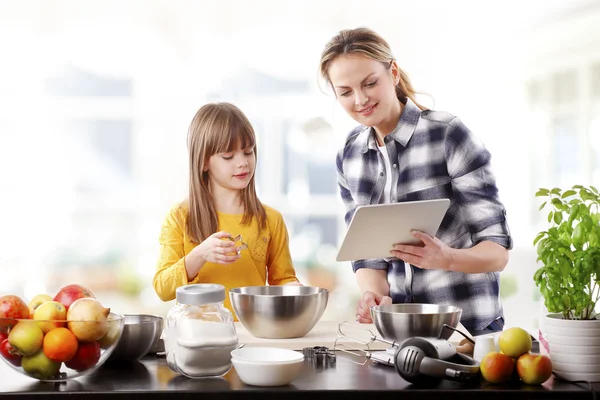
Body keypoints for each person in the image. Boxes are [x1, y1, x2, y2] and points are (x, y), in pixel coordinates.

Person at [319, 27, 512, 336]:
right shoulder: (350, 156)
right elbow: (367, 255)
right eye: (345, 92)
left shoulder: (446, 134)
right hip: (399, 336)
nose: (360, 99)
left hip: (468, 332)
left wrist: (447, 258)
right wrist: (375, 294)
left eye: (370, 83)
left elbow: (497, 252)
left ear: (393, 73)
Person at [153, 102, 301, 315]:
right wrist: (200, 254)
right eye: (228, 156)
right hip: (198, 333)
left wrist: (292, 289)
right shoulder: (179, 217)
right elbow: (162, 288)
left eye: (248, 152)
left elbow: (283, 279)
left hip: (253, 333)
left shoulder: (271, 219)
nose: (243, 163)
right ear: (203, 162)